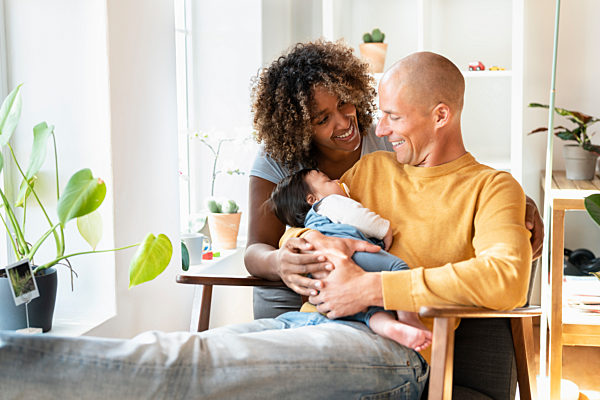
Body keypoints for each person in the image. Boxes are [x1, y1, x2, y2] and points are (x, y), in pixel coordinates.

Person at [0, 50, 531, 399]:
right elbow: (295, 235)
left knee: (188, 367)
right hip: (305, 323)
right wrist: (315, 248)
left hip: (395, 352)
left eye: (392, 116)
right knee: (194, 352)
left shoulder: (492, 187)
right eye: (382, 115)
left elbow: (505, 276)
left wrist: (370, 285)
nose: (377, 127)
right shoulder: (372, 170)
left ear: (440, 116)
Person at [246, 40, 544, 320]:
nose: (376, 129)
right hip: (294, 296)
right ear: (296, 129)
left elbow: (455, 174)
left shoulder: (391, 153)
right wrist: (294, 252)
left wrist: (515, 206)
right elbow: (277, 238)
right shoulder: (359, 168)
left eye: (344, 103)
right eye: (322, 119)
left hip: (369, 324)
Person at [269, 167, 431, 351]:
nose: (338, 180)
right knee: (398, 267)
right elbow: (358, 216)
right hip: (352, 255)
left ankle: (389, 327)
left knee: (368, 310)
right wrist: (383, 229)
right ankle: (409, 318)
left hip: (322, 277)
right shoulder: (328, 203)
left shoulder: (307, 228)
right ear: (312, 200)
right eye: (328, 181)